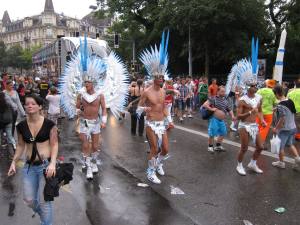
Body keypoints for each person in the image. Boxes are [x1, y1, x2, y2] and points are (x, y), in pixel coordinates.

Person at [7, 94, 58, 225]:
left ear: (40, 106)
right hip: (29, 167)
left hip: (45, 167)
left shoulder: (49, 124)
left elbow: (54, 144)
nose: (29, 106)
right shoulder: (21, 126)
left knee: (44, 201)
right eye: (27, 104)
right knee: (29, 200)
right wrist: (13, 162)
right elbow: (20, 145)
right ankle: (44, 217)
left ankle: (46, 223)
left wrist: (52, 163)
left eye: (33, 103)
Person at [138, 30, 173, 184]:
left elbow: (164, 106)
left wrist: (169, 119)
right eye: (159, 77)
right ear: (154, 77)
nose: (162, 79)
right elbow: (138, 108)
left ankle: (157, 164)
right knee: (154, 149)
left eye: (163, 77)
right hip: (151, 124)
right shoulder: (146, 92)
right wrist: (144, 109)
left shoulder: (164, 91)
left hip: (161, 123)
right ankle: (150, 171)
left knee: (165, 149)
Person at [76, 79, 107, 180]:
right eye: (85, 82)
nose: (86, 84)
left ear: (93, 84)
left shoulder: (100, 95)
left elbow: (104, 109)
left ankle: (93, 163)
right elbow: (77, 108)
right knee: (85, 144)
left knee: (95, 145)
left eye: (88, 82)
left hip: (96, 122)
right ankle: (88, 166)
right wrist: (78, 109)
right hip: (84, 122)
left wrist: (104, 121)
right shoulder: (81, 95)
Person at [236, 82, 266, 175]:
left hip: (253, 125)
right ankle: (239, 165)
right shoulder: (242, 100)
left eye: (255, 86)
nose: (255, 87)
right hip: (244, 125)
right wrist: (250, 112)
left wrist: (262, 120)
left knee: (260, 147)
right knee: (244, 148)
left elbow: (260, 111)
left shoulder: (259, 98)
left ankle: (252, 164)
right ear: (247, 88)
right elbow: (238, 116)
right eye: (253, 86)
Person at [272, 85, 300, 169]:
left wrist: (276, 128)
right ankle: (298, 159)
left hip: (285, 129)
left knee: (280, 147)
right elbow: (292, 112)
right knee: (290, 144)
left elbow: (282, 119)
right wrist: (276, 109)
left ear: (277, 93)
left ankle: (281, 163)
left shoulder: (280, 105)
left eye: (275, 94)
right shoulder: (290, 101)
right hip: (292, 127)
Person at [203, 86, 236, 152]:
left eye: (224, 91)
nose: (224, 93)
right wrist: (211, 109)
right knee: (212, 133)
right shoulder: (213, 98)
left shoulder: (225, 100)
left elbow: (229, 109)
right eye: (222, 91)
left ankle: (218, 146)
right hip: (214, 119)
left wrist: (232, 115)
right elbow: (205, 105)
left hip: (221, 120)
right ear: (218, 92)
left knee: (223, 132)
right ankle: (210, 147)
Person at [256, 79, 277, 144]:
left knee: (258, 126)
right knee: (265, 128)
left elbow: (255, 100)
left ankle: (256, 140)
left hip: (259, 112)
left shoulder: (260, 90)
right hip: (268, 113)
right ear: (273, 85)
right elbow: (275, 103)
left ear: (267, 84)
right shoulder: (273, 92)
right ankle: (260, 142)